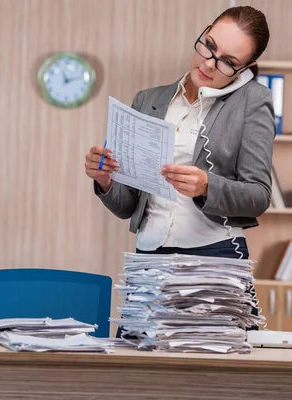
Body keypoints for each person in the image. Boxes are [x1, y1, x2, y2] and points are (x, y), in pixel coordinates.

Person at [85, 5, 274, 260]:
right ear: (205, 31)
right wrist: (105, 180)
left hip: (213, 252)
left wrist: (207, 186)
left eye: (228, 62)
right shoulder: (148, 100)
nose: (209, 64)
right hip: (149, 253)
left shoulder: (252, 100)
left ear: (245, 70)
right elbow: (127, 206)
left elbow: (259, 196)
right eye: (209, 46)